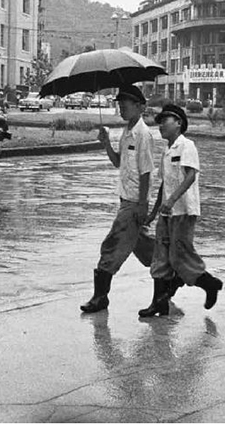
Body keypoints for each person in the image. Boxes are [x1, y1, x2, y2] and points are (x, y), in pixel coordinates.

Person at [138, 104, 223, 318]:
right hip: (167, 213)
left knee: (180, 256)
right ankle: (159, 303)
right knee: (161, 257)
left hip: (184, 211)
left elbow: (190, 176)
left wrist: (172, 200)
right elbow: (164, 185)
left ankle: (210, 284)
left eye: (165, 121)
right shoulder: (166, 151)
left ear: (178, 123)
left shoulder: (187, 146)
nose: (161, 126)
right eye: (159, 122)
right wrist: (154, 211)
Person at [80, 85, 155, 314]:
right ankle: (171, 274)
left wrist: (142, 206)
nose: (121, 108)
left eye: (125, 105)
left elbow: (146, 172)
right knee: (147, 250)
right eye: (119, 105)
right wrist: (106, 144)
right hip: (126, 200)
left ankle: (100, 297)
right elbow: (118, 162)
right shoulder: (126, 131)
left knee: (111, 246)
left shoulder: (143, 134)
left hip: (133, 203)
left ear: (140, 107)